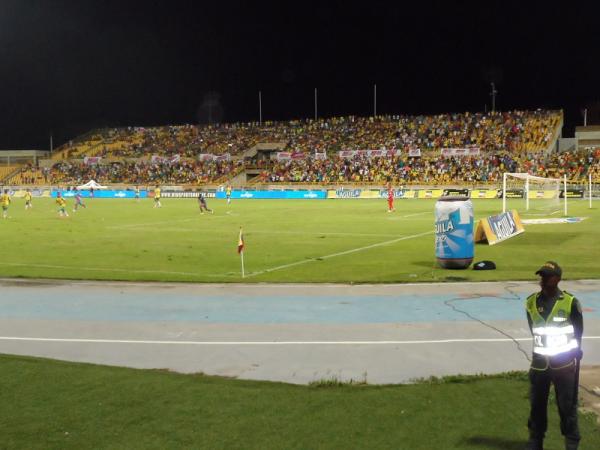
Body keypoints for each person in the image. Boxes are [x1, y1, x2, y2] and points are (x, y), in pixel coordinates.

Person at [526, 261, 583, 450]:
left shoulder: (570, 302)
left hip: (564, 365)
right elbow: (534, 330)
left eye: (547, 276)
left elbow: (578, 332)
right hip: (539, 365)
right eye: (541, 275)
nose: (542, 279)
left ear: (557, 279)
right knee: (537, 406)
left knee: (567, 407)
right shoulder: (530, 302)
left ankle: (571, 443)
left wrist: (574, 352)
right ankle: (536, 441)